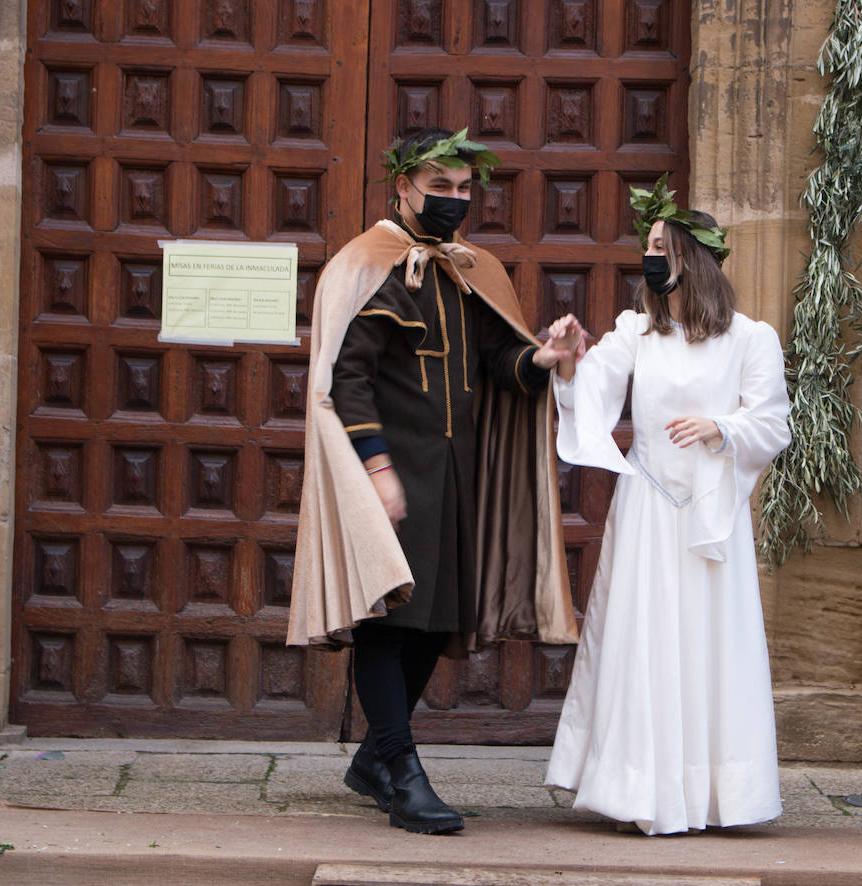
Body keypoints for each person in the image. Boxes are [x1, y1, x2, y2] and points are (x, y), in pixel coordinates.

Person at [288, 127, 577, 835]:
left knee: (434, 624)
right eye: (437, 187)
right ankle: (405, 775)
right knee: (386, 626)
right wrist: (377, 473)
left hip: (454, 478)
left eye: (461, 189)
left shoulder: (467, 267)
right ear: (403, 187)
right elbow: (345, 382)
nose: (452, 200)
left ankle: (371, 761)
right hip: (390, 475)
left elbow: (496, 363)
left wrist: (541, 358)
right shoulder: (369, 264)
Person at [543, 177, 791, 835]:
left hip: (711, 513)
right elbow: (590, 393)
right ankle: (637, 790)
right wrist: (568, 365)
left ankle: (714, 795)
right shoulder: (635, 334)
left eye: (661, 245)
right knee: (642, 641)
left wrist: (723, 428)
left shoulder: (750, 339)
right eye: (647, 245)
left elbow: (773, 424)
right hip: (649, 508)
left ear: (693, 257)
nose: (650, 256)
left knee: (713, 644)